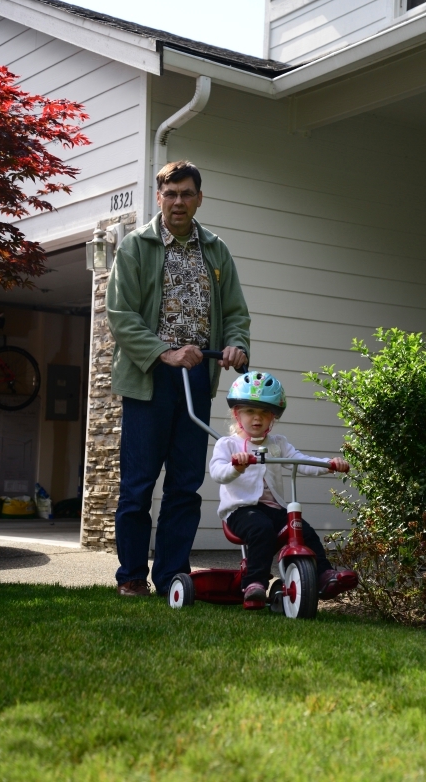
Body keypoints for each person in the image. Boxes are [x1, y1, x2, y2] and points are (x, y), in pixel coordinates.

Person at [107, 160, 250, 597]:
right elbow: (121, 315)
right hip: (149, 378)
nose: (178, 202)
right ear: (159, 198)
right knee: (138, 485)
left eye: (187, 194)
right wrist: (165, 353)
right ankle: (132, 575)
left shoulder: (216, 250)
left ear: (199, 199)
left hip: (197, 380)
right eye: (170, 194)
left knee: (186, 485)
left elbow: (234, 312)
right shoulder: (136, 246)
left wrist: (236, 344)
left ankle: (171, 575)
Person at [209, 371, 358, 605]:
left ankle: (324, 575)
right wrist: (236, 466)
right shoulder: (227, 445)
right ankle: (254, 583)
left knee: (303, 530)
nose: (257, 418)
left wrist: (329, 464)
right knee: (261, 528)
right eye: (250, 411)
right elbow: (217, 472)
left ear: (273, 417)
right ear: (237, 414)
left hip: (274, 508)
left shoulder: (278, 444)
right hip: (240, 511)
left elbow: (301, 461)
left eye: (264, 412)